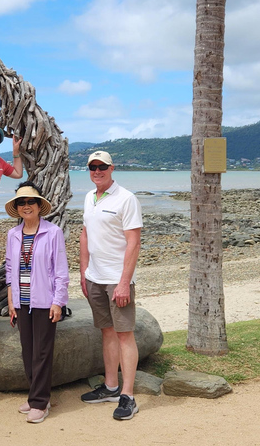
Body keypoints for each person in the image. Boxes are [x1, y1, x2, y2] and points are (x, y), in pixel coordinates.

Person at [79, 151, 142, 420]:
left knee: (124, 333)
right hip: (95, 277)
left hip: (117, 280)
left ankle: (127, 396)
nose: (97, 171)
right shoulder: (89, 197)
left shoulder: (126, 198)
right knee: (107, 332)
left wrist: (124, 282)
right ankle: (111, 386)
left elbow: (134, 242)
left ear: (111, 168)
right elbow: (85, 235)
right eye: (93, 167)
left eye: (102, 166)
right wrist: (83, 273)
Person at [5, 182, 69, 424]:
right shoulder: (13, 234)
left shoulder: (53, 232)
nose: (26, 206)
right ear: (17, 208)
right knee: (28, 351)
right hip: (21, 302)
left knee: (42, 353)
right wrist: (11, 301)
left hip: (45, 301)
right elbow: (10, 268)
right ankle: (36, 397)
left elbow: (61, 271)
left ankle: (40, 403)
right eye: (21, 202)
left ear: (39, 205)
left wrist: (58, 302)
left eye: (31, 201)